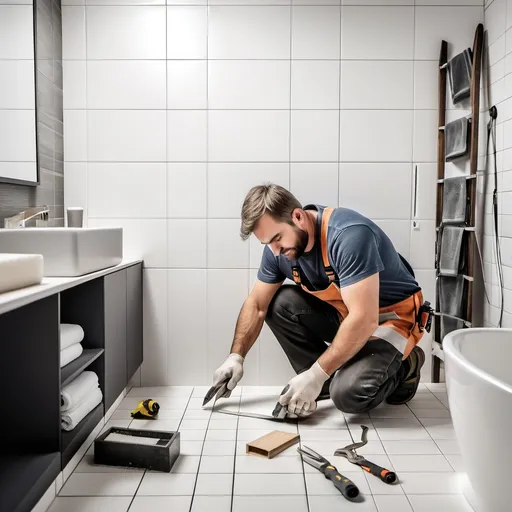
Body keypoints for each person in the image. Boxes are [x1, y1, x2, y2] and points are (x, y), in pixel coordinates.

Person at [211, 184, 431, 418]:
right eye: (268, 244)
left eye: (277, 238)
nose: (275, 251)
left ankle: (406, 365)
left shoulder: (348, 236)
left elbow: (365, 319)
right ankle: (319, 384)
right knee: (279, 302)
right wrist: (236, 356)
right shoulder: (278, 251)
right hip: (348, 315)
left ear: (298, 216)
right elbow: (256, 305)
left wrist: (316, 373)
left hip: (392, 320)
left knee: (348, 395)